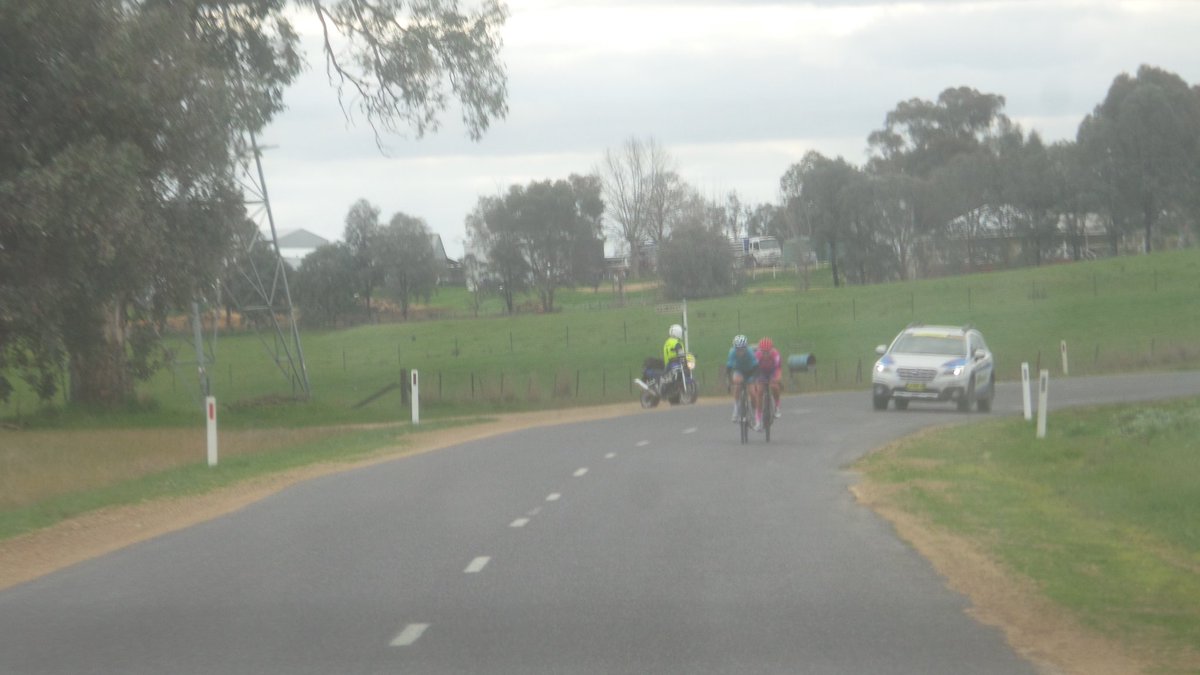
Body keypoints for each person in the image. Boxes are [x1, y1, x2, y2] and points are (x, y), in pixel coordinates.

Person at [725, 334, 760, 425]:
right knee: (737, 385)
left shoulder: (750, 353)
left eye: (742, 349)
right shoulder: (732, 352)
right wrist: (729, 382)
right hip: (739, 371)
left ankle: (756, 414)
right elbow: (729, 369)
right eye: (738, 349)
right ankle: (736, 408)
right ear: (734, 348)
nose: (740, 351)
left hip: (750, 371)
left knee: (752, 392)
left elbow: (756, 367)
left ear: (746, 347)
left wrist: (754, 380)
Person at [754, 337, 783, 420]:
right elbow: (754, 370)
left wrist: (776, 379)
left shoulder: (776, 354)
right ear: (760, 350)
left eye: (767, 351)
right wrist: (756, 381)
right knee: (759, 391)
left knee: (774, 386)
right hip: (761, 371)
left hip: (773, 371)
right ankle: (758, 415)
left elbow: (778, 369)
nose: (765, 354)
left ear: (772, 349)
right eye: (763, 351)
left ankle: (777, 405)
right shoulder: (757, 355)